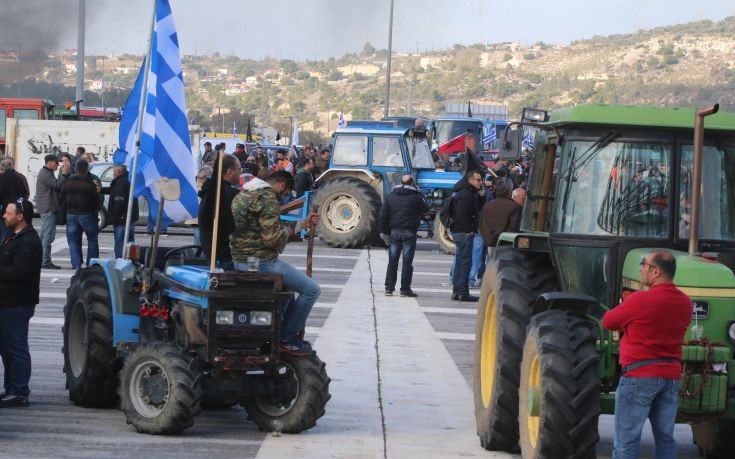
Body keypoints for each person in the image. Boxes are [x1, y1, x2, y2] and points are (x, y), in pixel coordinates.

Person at [602, 250, 692, 458]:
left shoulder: (638, 300)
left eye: (644, 264)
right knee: (665, 439)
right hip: (670, 377)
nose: (641, 268)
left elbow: (608, 321)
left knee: (626, 443)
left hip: (638, 376)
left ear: (656, 271)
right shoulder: (686, 303)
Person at [230, 170, 319, 355]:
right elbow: (273, 239)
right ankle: (287, 338)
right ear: (282, 185)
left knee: (288, 291)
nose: (283, 197)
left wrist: (301, 224)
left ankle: (279, 333)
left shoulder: (243, 194)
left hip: (241, 260)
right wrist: (288, 233)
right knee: (311, 290)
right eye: (285, 194)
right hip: (262, 262)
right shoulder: (267, 198)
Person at [0, 199, 42, 407]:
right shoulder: (13, 237)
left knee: (16, 347)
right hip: (7, 301)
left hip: (17, 303)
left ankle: (19, 391)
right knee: (6, 348)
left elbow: (20, 272)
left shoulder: (28, 241)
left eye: (8, 213)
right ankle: (10, 388)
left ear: (20, 217)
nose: (4, 216)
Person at [379, 175, 429, 297]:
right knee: (407, 262)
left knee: (392, 261)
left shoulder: (390, 197)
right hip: (409, 232)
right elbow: (426, 208)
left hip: (394, 231)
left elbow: (383, 216)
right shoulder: (416, 197)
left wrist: (383, 231)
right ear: (412, 183)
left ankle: (389, 288)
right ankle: (404, 290)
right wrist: (419, 192)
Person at [198, 154, 240, 269]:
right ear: (230, 172)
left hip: (212, 251)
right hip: (222, 253)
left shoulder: (211, 190)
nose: (240, 173)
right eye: (239, 170)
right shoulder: (226, 193)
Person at [60, 159, 100, 270]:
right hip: (87, 214)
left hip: (71, 214)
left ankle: (76, 264)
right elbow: (96, 202)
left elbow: (61, 198)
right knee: (92, 239)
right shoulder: (89, 184)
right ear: (87, 170)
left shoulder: (67, 182)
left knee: (72, 240)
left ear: (76, 169)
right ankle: (91, 264)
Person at [449, 170, 483, 301]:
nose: (481, 182)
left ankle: (457, 291)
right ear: (470, 180)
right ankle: (462, 292)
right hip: (463, 232)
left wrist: (481, 196)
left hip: (459, 231)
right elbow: (461, 214)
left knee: (460, 261)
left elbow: (474, 209)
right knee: (465, 262)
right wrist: (468, 229)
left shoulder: (466, 193)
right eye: (478, 180)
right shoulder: (466, 194)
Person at [35, 154, 71, 269]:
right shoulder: (45, 174)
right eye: (56, 163)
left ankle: (40, 259)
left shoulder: (47, 173)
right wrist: (64, 173)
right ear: (49, 162)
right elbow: (58, 185)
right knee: (48, 237)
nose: (58, 165)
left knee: (44, 236)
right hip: (48, 208)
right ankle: (45, 261)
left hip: (47, 207)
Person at [104, 164, 138, 259]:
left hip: (122, 218)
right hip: (131, 217)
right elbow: (113, 191)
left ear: (118, 171)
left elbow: (119, 201)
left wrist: (113, 217)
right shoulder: (129, 179)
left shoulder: (120, 182)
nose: (113, 172)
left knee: (120, 241)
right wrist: (102, 190)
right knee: (130, 241)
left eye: (114, 170)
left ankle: (120, 261)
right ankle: (131, 260)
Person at [479, 177, 521, 250]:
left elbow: (481, 225)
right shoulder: (514, 207)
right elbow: (513, 228)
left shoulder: (488, 205)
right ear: (510, 191)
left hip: (489, 243)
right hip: (505, 245)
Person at [0, 158, 29, 241]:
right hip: (16, 211)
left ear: (2, 167)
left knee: (4, 234)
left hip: (4, 212)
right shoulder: (19, 178)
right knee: (13, 233)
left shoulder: (1, 178)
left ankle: (4, 252)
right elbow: (24, 194)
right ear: (12, 166)